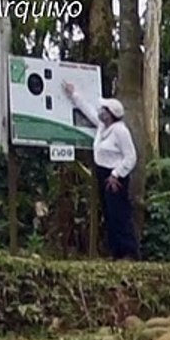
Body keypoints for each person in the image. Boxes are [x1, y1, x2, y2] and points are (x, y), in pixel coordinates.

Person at [62, 81, 140, 259]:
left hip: (115, 177)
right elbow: (88, 110)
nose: (101, 112)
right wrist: (74, 95)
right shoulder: (103, 127)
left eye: (104, 110)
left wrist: (116, 174)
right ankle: (117, 252)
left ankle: (128, 251)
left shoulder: (120, 131)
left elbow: (131, 157)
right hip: (103, 173)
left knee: (119, 213)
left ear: (111, 114)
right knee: (109, 213)